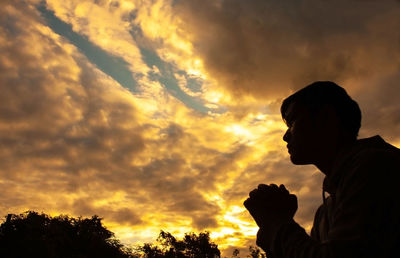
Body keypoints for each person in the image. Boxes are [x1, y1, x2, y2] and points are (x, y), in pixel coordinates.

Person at [244, 81, 400, 258]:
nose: (285, 136)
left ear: (325, 118)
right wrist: (272, 225)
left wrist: (278, 224)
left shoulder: (376, 167)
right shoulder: (326, 210)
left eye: (292, 122)